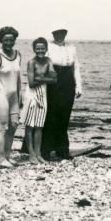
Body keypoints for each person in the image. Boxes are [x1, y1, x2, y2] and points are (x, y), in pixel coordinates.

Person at [40, 28, 82, 160]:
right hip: (52, 82)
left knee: (65, 115)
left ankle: (62, 150)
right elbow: (42, 66)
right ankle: (45, 150)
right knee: (51, 115)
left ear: (65, 34)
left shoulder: (71, 48)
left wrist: (79, 86)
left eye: (62, 33)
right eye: (56, 33)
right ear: (53, 34)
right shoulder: (48, 47)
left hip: (68, 83)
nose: (59, 36)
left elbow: (76, 68)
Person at [0, 26, 22, 168]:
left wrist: (20, 98)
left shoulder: (18, 54)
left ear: (15, 40)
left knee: (13, 126)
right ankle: (1, 159)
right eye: (5, 40)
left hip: (14, 95)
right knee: (2, 127)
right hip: (1, 94)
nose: (9, 42)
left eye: (11, 40)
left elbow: (18, 78)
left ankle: (8, 155)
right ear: (1, 40)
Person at [20, 37, 57, 164]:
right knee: (30, 125)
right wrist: (46, 77)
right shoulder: (31, 62)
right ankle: (31, 154)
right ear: (34, 49)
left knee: (39, 126)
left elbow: (54, 80)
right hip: (31, 95)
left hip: (43, 95)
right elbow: (31, 83)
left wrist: (39, 77)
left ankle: (38, 153)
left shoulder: (48, 61)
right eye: (37, 48)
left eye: (42, 48)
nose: (40, 50)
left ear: (46, 49)